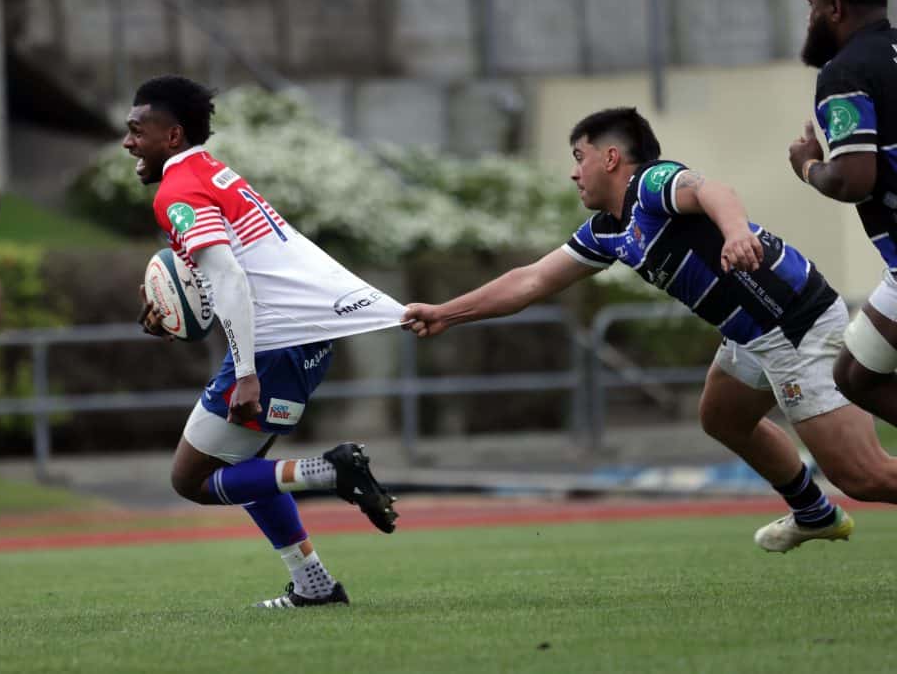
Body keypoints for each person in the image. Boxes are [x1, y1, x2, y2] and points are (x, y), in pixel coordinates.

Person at [405, 107, 897, 553]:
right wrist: (447, 313)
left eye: (579, 157)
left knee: (863, 476)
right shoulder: (607, 230)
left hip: (795, 324)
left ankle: (823, 506)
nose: (574, 172)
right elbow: (530, 280)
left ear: (611, 158)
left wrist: (735, 232)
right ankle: (814, 514)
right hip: (751, 333)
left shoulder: (650, 183)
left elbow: (712, 190)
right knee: (723, 416)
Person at [126, 75, 400, 608]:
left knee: (193, 480)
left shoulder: (177, 191)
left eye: (137, 130)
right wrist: (176, 313)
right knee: (246, 472)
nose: (128, 142)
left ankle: (331, 470)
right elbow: (231, 275)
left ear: (173, 135)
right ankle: (313, 584)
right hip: (303, 342)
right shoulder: (215, 174)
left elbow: (230, 278)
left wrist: (247, 373)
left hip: (272, 350)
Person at [787, 0, 897, 430]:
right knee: (854, 374)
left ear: (834, 8)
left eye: (811, 4)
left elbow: (854, 179)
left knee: (857, 376)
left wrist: (808, 165)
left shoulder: (845, 72)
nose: (808, 17)